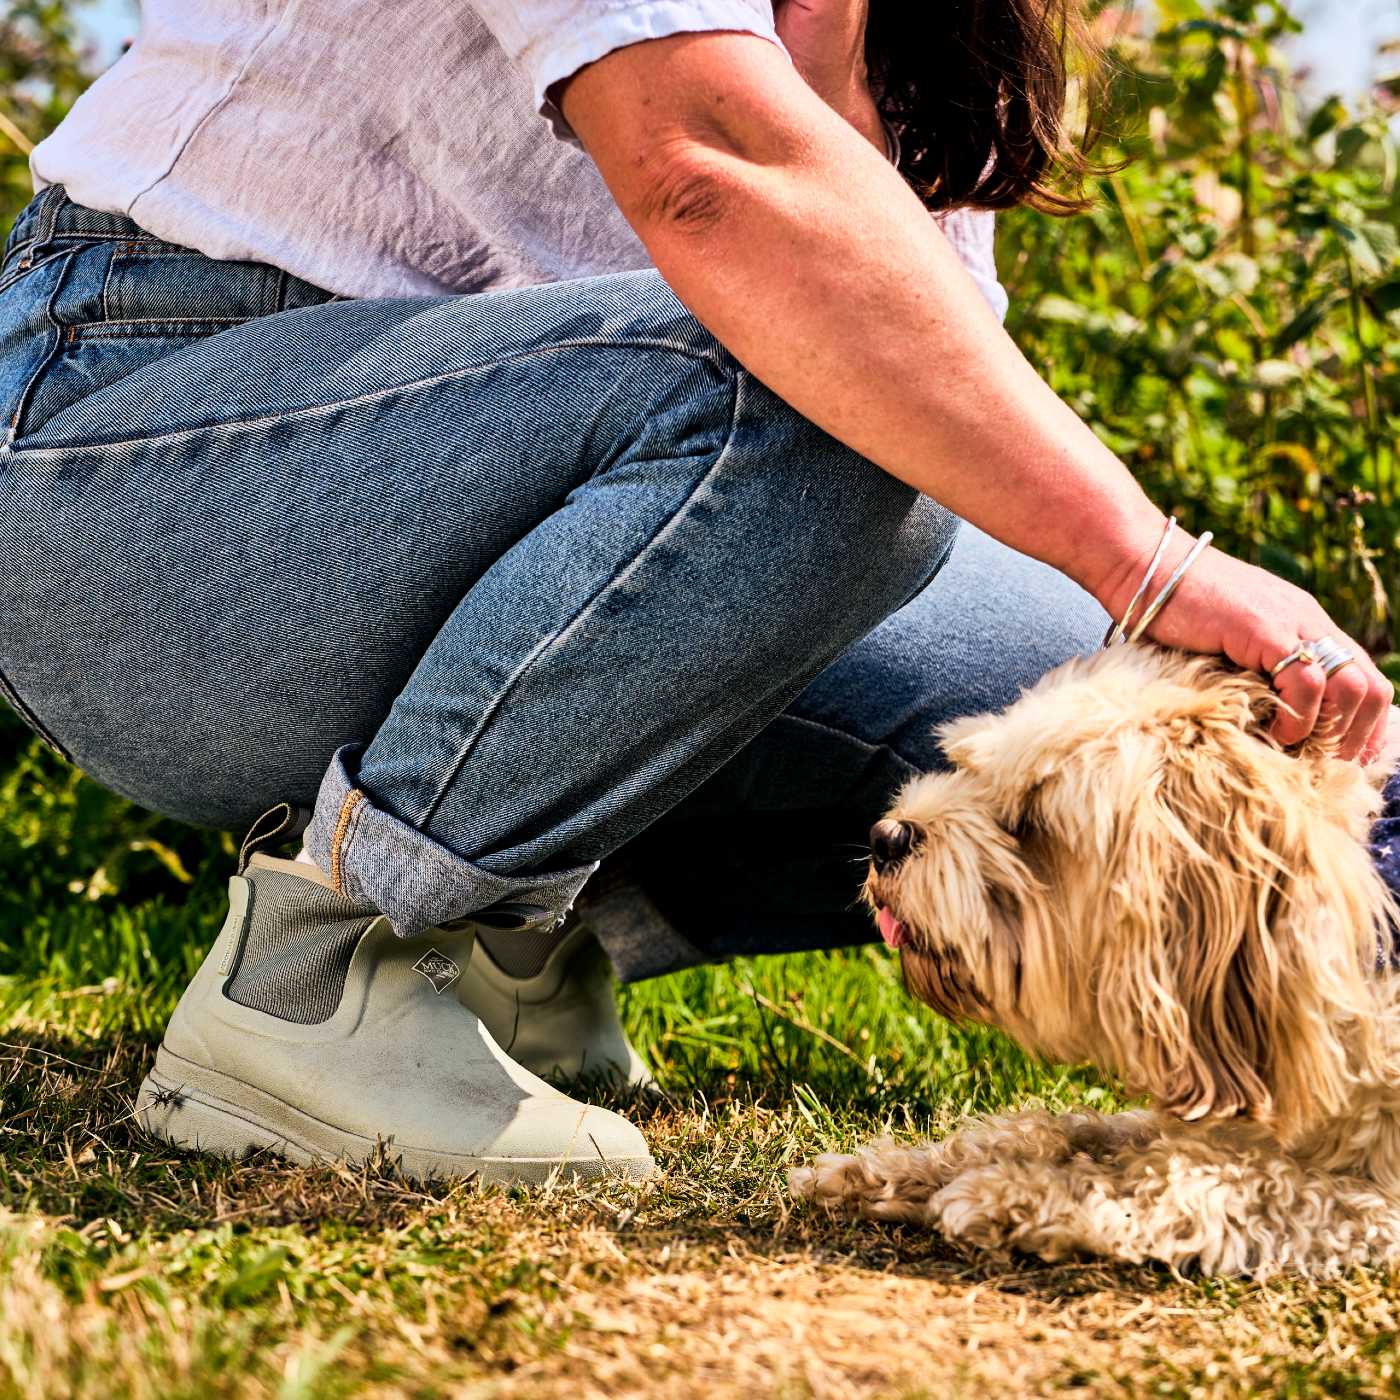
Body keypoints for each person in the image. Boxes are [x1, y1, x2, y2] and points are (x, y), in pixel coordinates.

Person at [0, 0, 1389, 1183]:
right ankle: (327, 970)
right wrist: (1153, 560)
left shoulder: (916, 39)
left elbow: (931, 424)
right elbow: (712, 176)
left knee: (1216, 770)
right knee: (820, 393)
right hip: (137, 463)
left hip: (539, 523)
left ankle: (510, 951)